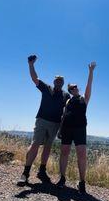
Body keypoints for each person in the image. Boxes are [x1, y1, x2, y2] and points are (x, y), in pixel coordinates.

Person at [17, 55, 70, 186]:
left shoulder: (65, 95)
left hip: (55, 124)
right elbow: (35, 79)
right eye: (57, 80)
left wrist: (62, 128)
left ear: (62, 83)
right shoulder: (46, 88)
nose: (58, 82)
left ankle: (42, 170)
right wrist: (31, 65)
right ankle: (25, 173)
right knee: (35, 144)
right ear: (54, 81)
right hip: (42, 120)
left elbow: (67, 111)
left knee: (48, 147)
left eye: (60, 81)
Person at [56, 61, 97, 194]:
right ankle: (62, 178)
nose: (75, 88)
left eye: (76, 87)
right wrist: (60, 130)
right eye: (73, 88)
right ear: (70, 90)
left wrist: (90, 72)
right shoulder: (68, 101)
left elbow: (88, 87)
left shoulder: (83, 99)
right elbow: (63, 116)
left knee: (82, 154)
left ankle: (82, 182)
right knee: (64, 152)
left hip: (80, 129)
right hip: (67, 129)